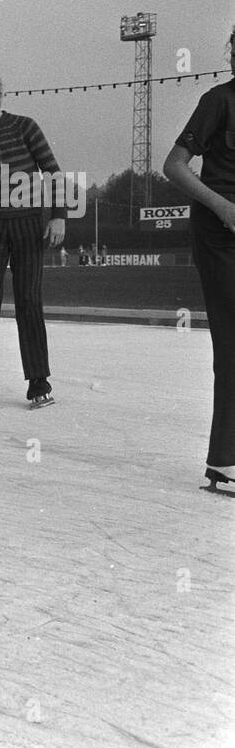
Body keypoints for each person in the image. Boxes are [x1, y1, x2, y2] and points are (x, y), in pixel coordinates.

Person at [0, 67, 65, 408]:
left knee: (28, 301)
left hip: (28, 222)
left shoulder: (25, 126)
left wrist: (59, 216)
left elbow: (53, 171)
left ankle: (38, 381)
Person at [162, 25, 235, 493]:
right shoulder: (218, 101)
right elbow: (173, 165)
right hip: (220, 234)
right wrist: (222, 206)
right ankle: (225, 461)